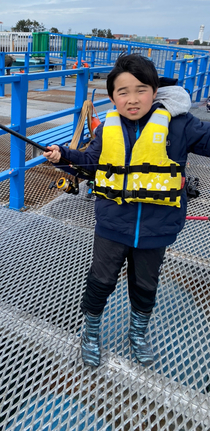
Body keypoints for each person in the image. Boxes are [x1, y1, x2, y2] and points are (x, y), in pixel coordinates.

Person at [43, 53, 210, 367]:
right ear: (112, 97)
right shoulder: (107, 129)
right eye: (123, 92)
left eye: (141, 90)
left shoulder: (182, 124)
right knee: (100, 281)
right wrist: (62, 155)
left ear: (155, 90)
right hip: (112, 224)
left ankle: (138, 333)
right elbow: (89, 166)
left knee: (145, 285)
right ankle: (90, 332)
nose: (133, 99)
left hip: (157, 227)